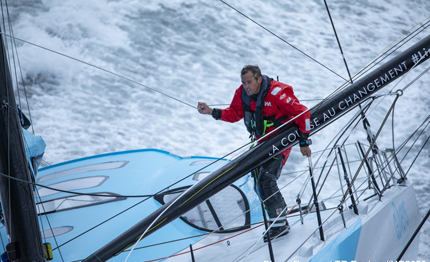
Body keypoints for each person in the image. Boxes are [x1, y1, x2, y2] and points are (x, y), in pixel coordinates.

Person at [197, 65, 311, 241]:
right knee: (258, 181)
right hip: (261, 143)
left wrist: (304, 141)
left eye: (249, 82)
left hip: (280, 141)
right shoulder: (242, 92)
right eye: (243, 82)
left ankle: (279, 224)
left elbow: (303, 112)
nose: (246, 86)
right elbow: (235, 113)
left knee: (266, 179)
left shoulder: (277, 93)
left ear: (259, 79)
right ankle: (277, 217)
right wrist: (212, 111)